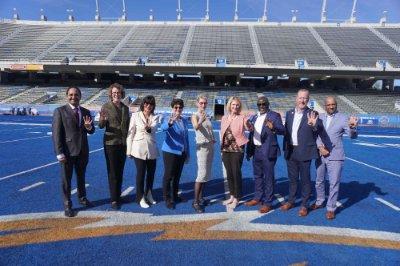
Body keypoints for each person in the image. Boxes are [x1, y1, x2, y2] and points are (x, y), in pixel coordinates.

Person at [311, 96, 358, 219]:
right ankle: (320, 201)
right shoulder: (319, 117)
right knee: (319, 181)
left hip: (336, 156)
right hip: (321, 154)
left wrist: (353, 127)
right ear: (325, 106)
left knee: (334, 183)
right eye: (329, 105)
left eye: (334, 104)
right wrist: (320, 147)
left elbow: (352, 136)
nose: (332, 106)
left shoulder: (343, 118)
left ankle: (331, 208)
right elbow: (315, 135)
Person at [281, 88, 325, 217]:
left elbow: (318, 130)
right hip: (291, 151)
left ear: (308, 100)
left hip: (305, 151)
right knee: (292, 179)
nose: (302, 100)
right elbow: (285, 131)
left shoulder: (313, 113)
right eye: (300, 97)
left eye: (305, 98)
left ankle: (304, 205)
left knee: (305, 180)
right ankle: (291, 201)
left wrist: (314, 125)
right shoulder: (289, 113)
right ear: (296, 99)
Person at [52, 86, 95, 217]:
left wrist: (89, 127)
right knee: (66, 180)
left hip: (82, 150)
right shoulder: (60, 111)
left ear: (80, 96)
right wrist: (59, 153)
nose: (73, 97)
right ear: (67, 96)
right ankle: (67, 204)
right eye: (71, 95)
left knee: (81, 177)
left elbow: (91, 130)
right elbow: (56, 134)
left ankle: (82, 198)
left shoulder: (86, 111)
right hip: (67, 152)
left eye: (76, 95)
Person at [245, 96, 285, 213]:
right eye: (259, 104)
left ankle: (268, 202)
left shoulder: (274, 115)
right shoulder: (254, 116)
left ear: (268, 104)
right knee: (257, 176)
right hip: (256, 149)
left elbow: (283, 130)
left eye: (264, 104)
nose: (262, 106)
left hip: (268, 150)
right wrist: (251, 129)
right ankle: (257, 197)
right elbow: (252, 133)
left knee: (268, 177)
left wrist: (274, 127)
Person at [98, 83, 130, 210]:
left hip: (123, 143)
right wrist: (102, 120)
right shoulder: (105, 107)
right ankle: (113, 199)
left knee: (120, 170)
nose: (116, 95)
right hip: (110, 143)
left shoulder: (125, 108)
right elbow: (101, 126)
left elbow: (127, 126)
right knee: (112, 172)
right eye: (114, 93)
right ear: (111, 94)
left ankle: (118, 195)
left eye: (118, 93)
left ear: (122, 94)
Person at [126, 95, 159, 209]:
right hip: (138, 149)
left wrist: (148, 128)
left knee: (151, 174)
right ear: (143, 104)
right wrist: (128, 151)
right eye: (146, 104)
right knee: (140, 174)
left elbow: (153, 129)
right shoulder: (135, 116)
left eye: (150, 104)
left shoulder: (155, 117)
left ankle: (149, 194)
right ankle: (140, 198)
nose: (148, 106)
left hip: (152, 149)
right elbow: (130, 134)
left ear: (153, 106)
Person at [220, 96, 252, 210]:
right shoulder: (224, 118)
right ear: (230, 105)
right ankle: (232, 196)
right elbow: (222, 133)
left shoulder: (242, 117)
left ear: (239, 107)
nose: (235, 107)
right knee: (229, 174)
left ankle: (237, 197)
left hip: (237, 150)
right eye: (233, 104)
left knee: (236, 173)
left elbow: (249, 128)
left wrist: (248, 123)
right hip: (226, 150)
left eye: (237, 105)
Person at [161, 98, 190, 210]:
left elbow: (186, 137)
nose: (178, 109)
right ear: (172, 108)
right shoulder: (167, 118)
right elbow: (163, 128)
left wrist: (187, 152)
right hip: (170, 151)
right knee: (168, 176)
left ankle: (175, 196)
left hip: (181, 152)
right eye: (176, 107)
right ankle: (167, 198)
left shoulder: (184, 120)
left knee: (177, 176)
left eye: (180, 107)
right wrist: (170, 123)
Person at [191, 95, 216, 213]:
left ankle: (201, 197)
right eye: (201, 103)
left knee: (206, 173)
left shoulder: (207, 116)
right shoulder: (194, 115)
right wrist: (201, 119)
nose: (203, 105)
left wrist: (213, 138)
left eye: (205, 103)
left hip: (209, 146)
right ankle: (195, 201)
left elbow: (209, 130)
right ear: (197, 104)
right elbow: (196, 127)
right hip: (201, 147)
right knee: (201, 174)